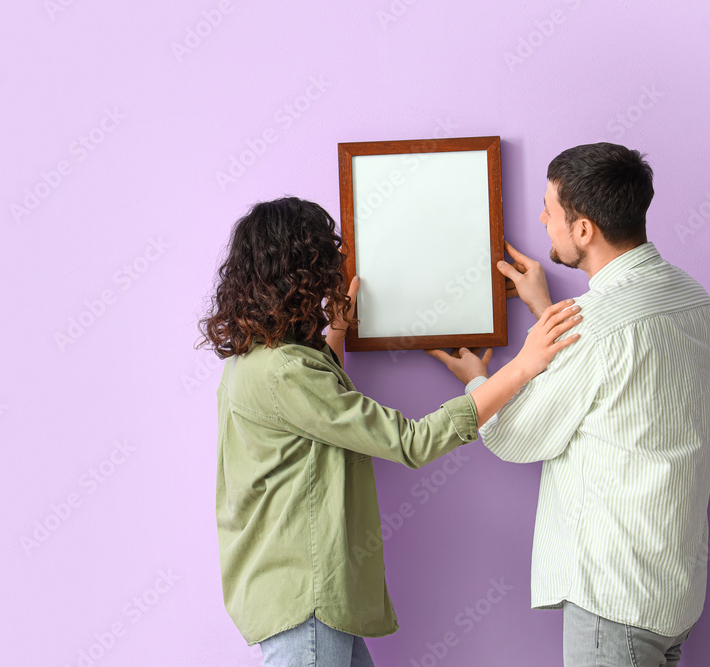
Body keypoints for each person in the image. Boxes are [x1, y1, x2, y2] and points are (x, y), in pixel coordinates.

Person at [198, 196, 582, 666]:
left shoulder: (258, 362)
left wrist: (336, 330)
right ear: (301, 273)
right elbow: (412, 442)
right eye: (326, 260)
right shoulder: (286, 373)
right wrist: (521, 367)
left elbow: (315, 413)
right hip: (307, 602)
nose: (336, 269)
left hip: (301, 600)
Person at [428, 142, 710, 667]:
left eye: (549, 208)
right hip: (673, 590)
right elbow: (621, 389)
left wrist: (479, 381)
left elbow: (512, 436)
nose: (541, 219)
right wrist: (547, 311)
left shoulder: (599, 327)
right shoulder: (694, 298)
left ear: (583, 229)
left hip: (615, 600)